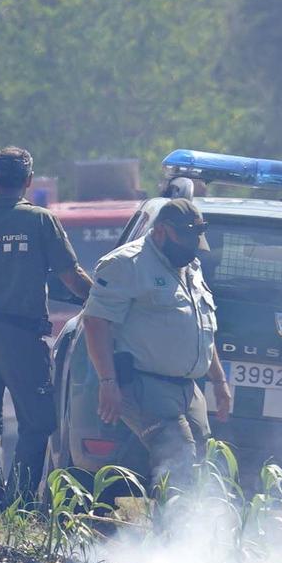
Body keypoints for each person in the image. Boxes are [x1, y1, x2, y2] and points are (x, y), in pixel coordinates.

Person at [0, 148, 92, 516]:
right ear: (28, 181)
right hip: (20, 339)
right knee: (37, 423)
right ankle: (19, 506)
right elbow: (72, 279)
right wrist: (107, 301)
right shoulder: (40, 221)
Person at [80, 196, 233, 488]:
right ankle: (172, 533)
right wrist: (108, 382)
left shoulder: (190, 266)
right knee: (180, 458)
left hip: (188, 389)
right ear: (161, 231)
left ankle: (181, 525)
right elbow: (95, 322)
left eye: (194, 241)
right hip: (144, 384)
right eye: (184, 240)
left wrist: (219, 381)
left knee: (201, 459)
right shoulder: (127, 264)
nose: (190, 249)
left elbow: (202, 327)